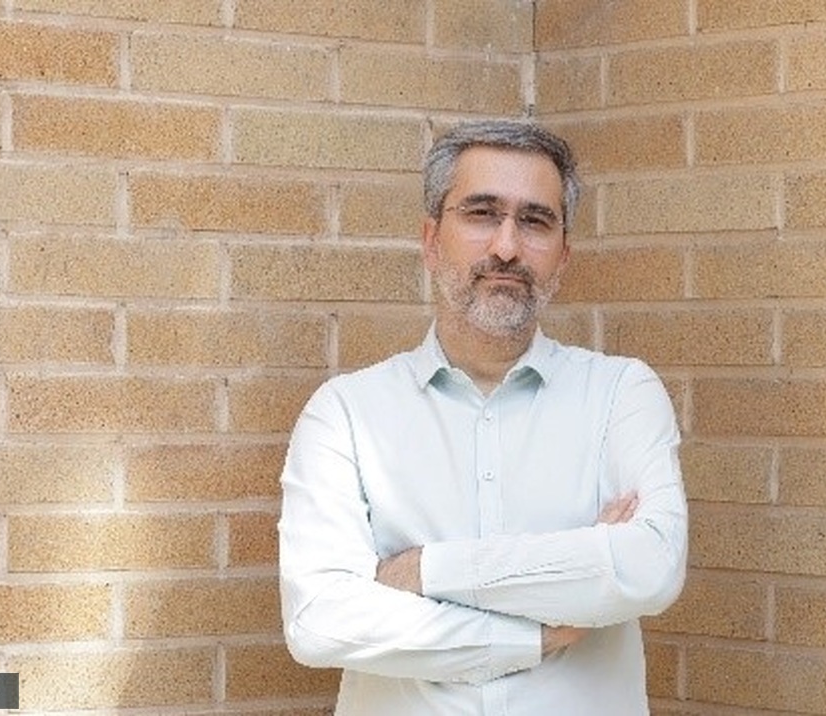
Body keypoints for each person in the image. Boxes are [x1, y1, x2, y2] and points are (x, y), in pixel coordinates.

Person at [278, 119, 687, 715]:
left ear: (563, 254)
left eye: (535, 221)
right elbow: (320, 622)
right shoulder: (346, 414)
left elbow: (649, 568)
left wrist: (421, 571)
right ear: (430, 240)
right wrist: (539, 627)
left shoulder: (621, 395)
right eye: (481, 214)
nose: (506, 247)